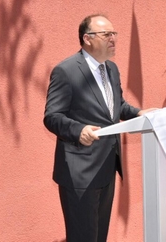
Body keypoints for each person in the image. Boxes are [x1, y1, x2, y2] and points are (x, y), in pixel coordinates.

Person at [44, 14, 154, 242]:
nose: (113, 39)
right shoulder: (66, 71)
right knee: (83, 237)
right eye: (107, 34)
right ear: (87, 38)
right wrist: (78, 130)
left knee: (98, 236)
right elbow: (52, 117)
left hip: (107, 167)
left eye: (114, 34)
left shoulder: (111, 69)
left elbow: (117, 106)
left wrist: (139, 113)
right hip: (80, 173)